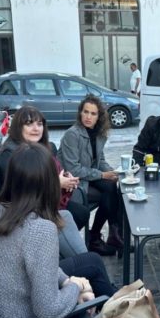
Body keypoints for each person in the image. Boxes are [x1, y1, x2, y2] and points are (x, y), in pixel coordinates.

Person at [0, 143, 116, 318]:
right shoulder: (40, 229)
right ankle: (122, 314)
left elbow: (32, 265)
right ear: (50, 182)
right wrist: (75, 287)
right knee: (92, 296)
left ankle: (118, 305)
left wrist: (66, 281)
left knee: (91, 261)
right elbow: (49, 310)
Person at [0, 106, 90, 236]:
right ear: (18, 127)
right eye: (29, 124)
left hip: (44, 200)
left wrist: (66, 177)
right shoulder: (9, 154)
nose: (36, 128)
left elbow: (51, 172)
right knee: (78, 214)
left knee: (81, 211)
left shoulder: (40, 147)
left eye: (39, 124)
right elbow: (21, 191)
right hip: (20, 210)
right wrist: (57, 183)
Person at [59, 95, 121, 256]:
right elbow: (74, 168)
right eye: (85, 112)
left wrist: (113, 173)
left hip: (87, 177)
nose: (88, 117)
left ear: (99, 117)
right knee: (109, 194)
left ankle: (107, 234)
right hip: (72, 182)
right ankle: (100, 237)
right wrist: (102, 175)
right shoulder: (72, 134)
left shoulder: (100, 134)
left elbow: (100, 161)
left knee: (113, 186)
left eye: (93, 114)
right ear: (80, 113)